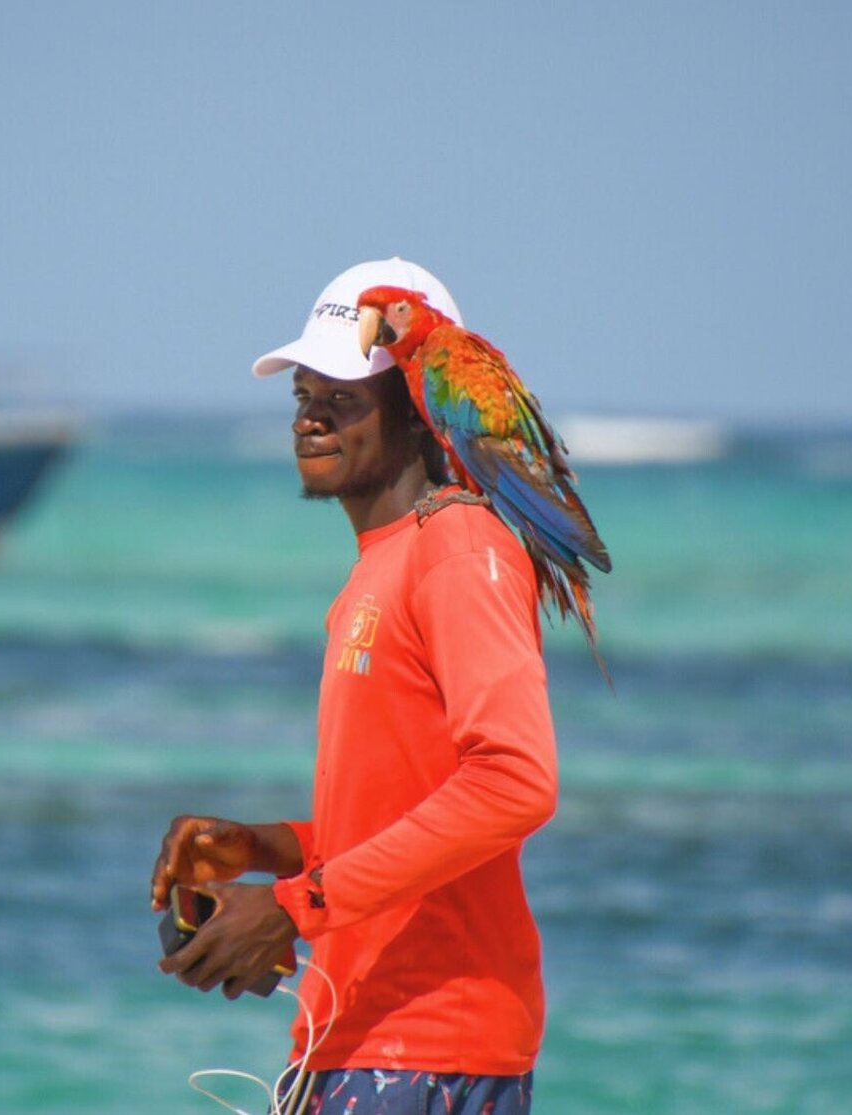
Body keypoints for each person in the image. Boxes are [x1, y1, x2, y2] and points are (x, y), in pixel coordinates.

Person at [150, 259, 559, 1114]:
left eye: (342, 397)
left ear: (417, 408)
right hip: (351, 1043)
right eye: (303, 393)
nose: (310, 416)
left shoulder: (459, 550)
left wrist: (295, 907)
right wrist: (263, 848)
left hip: (431, 1047)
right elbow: (409, 811)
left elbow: (515, 782)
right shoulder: (377, 573)